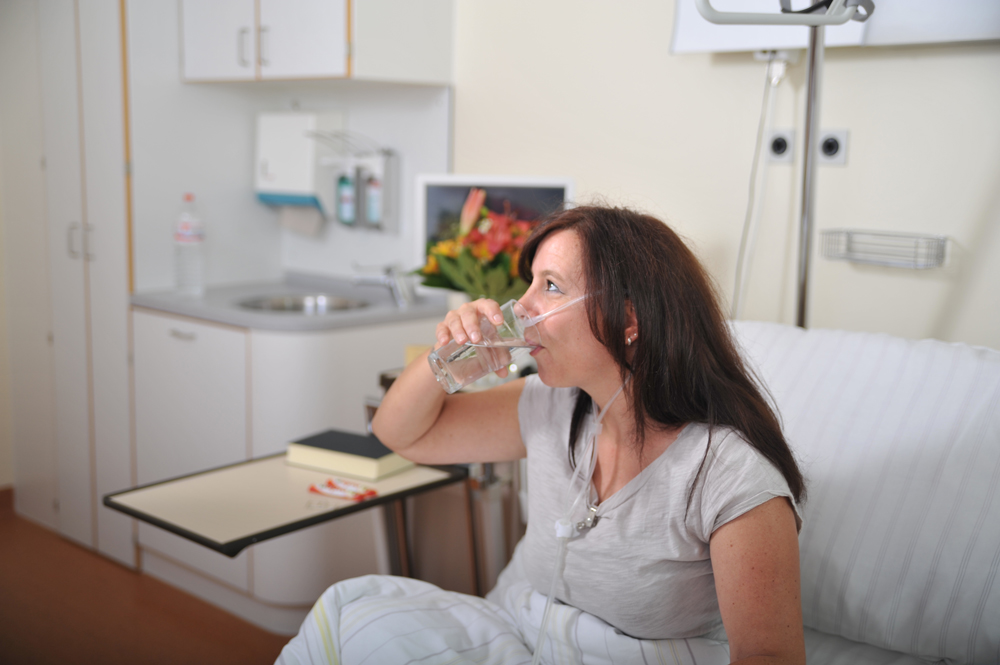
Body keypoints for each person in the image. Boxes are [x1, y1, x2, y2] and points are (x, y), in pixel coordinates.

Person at [276, 205, 806, 665]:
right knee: (351, 616)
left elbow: (771, 655)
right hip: (521, 634)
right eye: (529, 283)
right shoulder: (554, 406)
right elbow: (400, 434)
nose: (521, 308)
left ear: (629, 318)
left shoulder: (728, 474)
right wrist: (447, 360)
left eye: (550, 286)